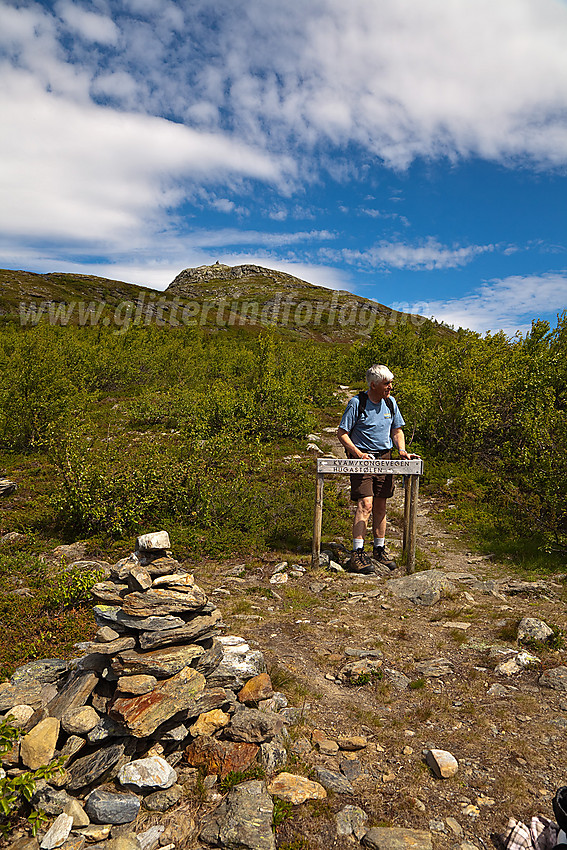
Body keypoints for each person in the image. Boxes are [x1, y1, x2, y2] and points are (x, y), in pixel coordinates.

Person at [337, 364, 419, 575]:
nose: (390, 387)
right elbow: (342, 433)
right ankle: (357, 553)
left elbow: (397, 430)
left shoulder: (390, 403)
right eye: (386, 384)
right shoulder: (357, 403)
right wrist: (357, 453)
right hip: (362, 458)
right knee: (366, 503)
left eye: (390, 383)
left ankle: (379, 549)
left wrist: (402, 450)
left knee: (381, 504)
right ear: (373, 384)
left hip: (385, 457)